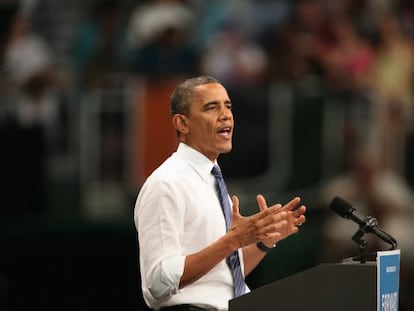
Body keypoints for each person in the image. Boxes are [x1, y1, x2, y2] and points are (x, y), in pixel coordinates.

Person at [134, 76, 307, 311]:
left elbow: (220, 277)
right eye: (211, 107)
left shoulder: (210, 180)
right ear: (182, 124)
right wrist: (234, 239)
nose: (225, 115)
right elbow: (158, 282)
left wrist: (263, 242)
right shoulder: (167, 184)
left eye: (228, 106)